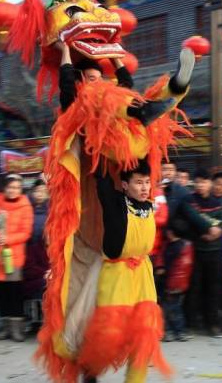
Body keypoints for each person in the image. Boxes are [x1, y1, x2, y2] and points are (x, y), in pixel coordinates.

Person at [77, 160, 171, 383]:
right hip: (116, 275)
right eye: (138, 182)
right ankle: (90, 371)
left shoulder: (152, 205)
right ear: (125, 185)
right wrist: (100, 143)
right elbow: (102, 178)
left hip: (143, 275)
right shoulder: (116, 203)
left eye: (147, 182)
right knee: (110, 333)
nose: (145, 187)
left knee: (145, 335)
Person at [0, 174, 33, 343]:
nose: (12, 191)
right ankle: (4, 326)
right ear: (4, 188)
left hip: (14, 255)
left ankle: (17, 328)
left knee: (15, 292)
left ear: (21, 190)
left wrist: (8, 239)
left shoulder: (26, 206)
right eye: (10, 187)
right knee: (1, 292)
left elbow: (26, 232)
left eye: (16, 188)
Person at [187, 168, 222, 337]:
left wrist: (217, 230)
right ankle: (192, 322)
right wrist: (204, 232)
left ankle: (213, 324)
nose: (201, 185)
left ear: (210, 184)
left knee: (214, 288)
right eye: (198, 182)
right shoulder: (190, 201)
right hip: (197, 250)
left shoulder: (217, 202)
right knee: (195, 287)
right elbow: (189, 223)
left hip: (215, 251)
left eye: (204, 182)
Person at [22, 179, 50, 331]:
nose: (39, 194)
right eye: (37, 191)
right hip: (29, 246)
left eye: (43, 192)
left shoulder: (51, 209)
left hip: (47, 247)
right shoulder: (27, 208)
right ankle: (33, 320)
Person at [161, 226, 193, 343]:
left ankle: (174, 332)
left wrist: (172, 285)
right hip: (174, 284)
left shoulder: (178, 246)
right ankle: (178, 332)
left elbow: (180, 269)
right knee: (174, 309)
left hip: (173, 285)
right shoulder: (181, 245)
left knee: (172, 310)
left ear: (171, 232)